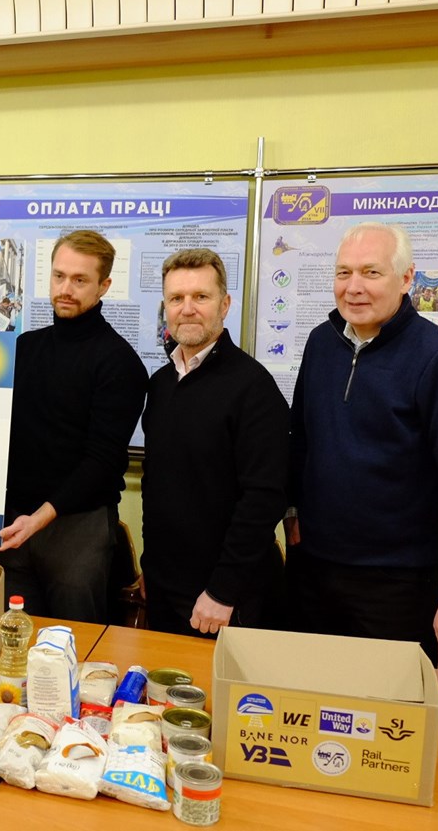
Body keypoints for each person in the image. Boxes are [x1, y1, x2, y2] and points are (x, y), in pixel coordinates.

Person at [286, 222, 438, 689]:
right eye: (344, 272)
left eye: (371, 272)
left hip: (397, 587)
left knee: (383, 722)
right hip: (313, 571)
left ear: (406, 279)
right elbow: (301, 435)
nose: (354, 287)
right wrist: (294, 508)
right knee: (309, 707)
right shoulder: (322, 342)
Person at [0, 230, 148, 622]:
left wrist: (39, 518)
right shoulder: (24, 349)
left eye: (80, 280)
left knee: (74, 647)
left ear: (103, 285)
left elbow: (101, 461)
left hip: (78, 529)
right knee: (13, 643)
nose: (66, 289)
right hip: (14, 524)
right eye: (59, 276)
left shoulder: (119, 364)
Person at [140, 249, 288, 637]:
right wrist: (149, 568)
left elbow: (264, 499)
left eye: (200, 297)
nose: (187, 309)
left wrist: (223, 590)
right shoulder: (160, 384)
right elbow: (157, 487)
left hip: (226, 598)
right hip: (164, 586)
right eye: (176, 298)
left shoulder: (254, 389)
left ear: (224, 305)